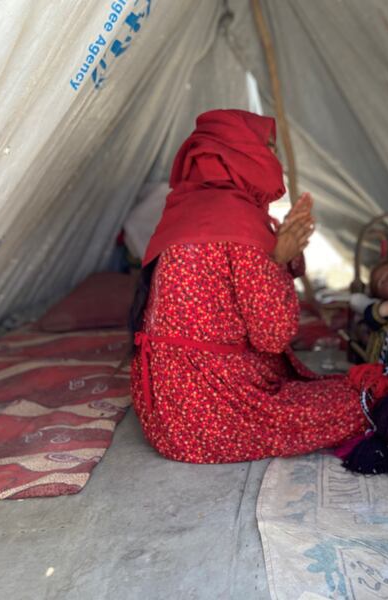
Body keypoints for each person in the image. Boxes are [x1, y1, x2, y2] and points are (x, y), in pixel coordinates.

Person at [129, 109, 369, 463]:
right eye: (267, 148)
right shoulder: (238, 221)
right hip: (207, 414)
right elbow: (272, 336)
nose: (275, 160)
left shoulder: (187, 206)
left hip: (165, 412)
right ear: (237, 154)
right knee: (364, 401)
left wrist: (280, 249)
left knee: (338, 385)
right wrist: (278, 256)